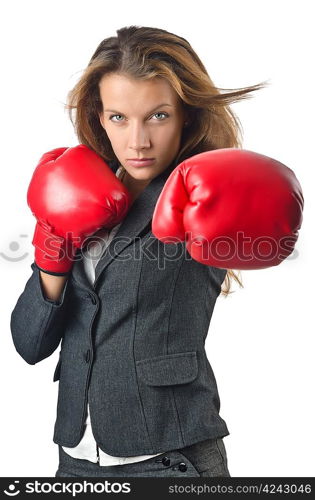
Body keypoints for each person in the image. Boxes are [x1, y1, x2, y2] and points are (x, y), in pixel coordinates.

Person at [10, 26, 303, 478]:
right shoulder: (77, 190)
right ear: (99, 117)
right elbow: (30, 345)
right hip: (76, 456)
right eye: (119, 117)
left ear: (186, 115)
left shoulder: (204, 192)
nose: (138, 141)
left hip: (169, 455)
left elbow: (259, 229)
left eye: (159, 116)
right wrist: (53, 245)